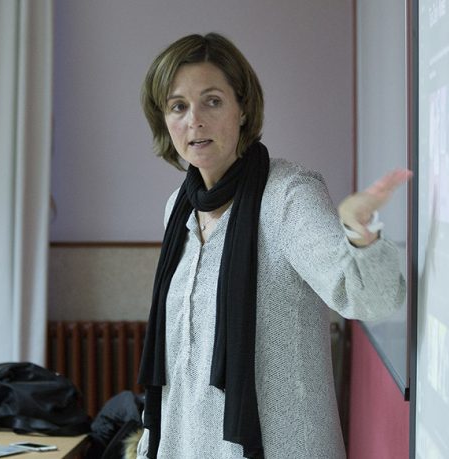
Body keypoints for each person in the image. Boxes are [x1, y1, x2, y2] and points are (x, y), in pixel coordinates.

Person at [136, 32, 410, 459]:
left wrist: (362, 234)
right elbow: (174, 364)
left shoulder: (287, 195)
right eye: (178, 106)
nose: (195, 121)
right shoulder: (178, 208)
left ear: (243, 108)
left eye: (212, 101)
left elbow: (369, 299)